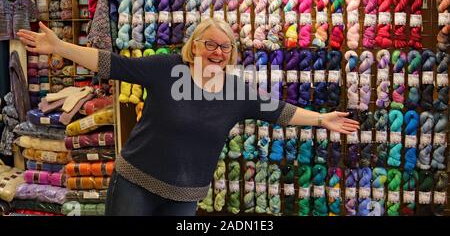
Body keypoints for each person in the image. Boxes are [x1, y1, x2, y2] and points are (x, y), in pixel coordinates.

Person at [17, 18, 359, 216]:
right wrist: (61, 47)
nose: (218, 53)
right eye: (211, 44)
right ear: (194, 45)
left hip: (185, 196)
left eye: (226, 48)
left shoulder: (236, 90)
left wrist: (321, 119)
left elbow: (279, 111)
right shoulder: (167, 68)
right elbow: (113, 63)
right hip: (136, 184)